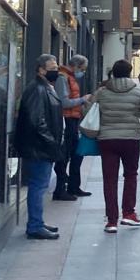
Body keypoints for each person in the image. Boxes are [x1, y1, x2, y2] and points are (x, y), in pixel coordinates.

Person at [93, 59, 140, 233]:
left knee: (109, 179)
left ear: (113, 72)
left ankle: (111, 221)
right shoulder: (139, 93)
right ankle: (128, 213)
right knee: (130, 175)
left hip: (107, 140)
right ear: (129, 72)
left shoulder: (101, 92)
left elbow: (87, 111)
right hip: (130, 140)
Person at [13, 54, 65, 240]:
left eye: (56, 67)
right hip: (39, 148)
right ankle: (35, 226)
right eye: (52, 67)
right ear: (41, 69)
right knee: (38, 186)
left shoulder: (45, 87)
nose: (56, 70)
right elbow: (37, 121)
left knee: (40, 186)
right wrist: (51, 142)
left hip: (43, 147)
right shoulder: (37, 89)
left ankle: (38, 222)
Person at [53, 55, 94, 200]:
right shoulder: (62, 78)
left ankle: (73, 186)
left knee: (77, 154)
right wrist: (82, 99)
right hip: (66, 120)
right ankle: (60, 189)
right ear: (76, 66)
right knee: (64, 156)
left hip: (73, 119)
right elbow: (63, 102)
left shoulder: (69, 77)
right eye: (82, 69)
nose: (82, 72)